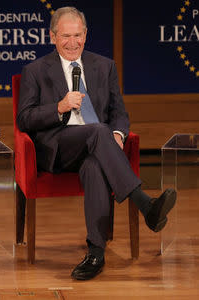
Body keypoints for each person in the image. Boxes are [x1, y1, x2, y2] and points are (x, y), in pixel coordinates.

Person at [17, 6, 176, 281]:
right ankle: (144, 204)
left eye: (78, 35)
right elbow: (24, 118)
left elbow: (119, 113)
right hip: (58, 147)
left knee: (95, 164)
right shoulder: (35, 71)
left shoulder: (104, 66)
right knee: (97, 132)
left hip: (99, 145)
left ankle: (95, 253)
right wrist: (59, 106)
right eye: (66, 36)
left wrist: (118, 135)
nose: (72, 42)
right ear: (53, 37)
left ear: (86, 35)